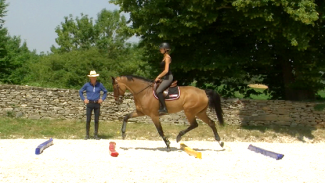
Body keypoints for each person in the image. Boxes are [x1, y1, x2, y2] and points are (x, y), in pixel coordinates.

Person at [79, 70, 107, 140]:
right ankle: (87, 135)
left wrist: (102, 99)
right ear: (90, 78)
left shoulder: (99, 85)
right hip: (89, 103)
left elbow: (105, 92)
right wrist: (84, 99)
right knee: (88, 119)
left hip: (97, 103)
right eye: (92, 77)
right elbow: (80, 91)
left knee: (96, 120)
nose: (94, 78)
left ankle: (96, 135)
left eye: (95, 77)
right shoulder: (87, 85)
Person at [154, 42, 173, 115]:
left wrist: (158, 77)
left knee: (158, 90)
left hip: (168, 77)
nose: (160, 50)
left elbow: (166, 70)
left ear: (165, 49)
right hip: (165, 77)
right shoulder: (164, 57)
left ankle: (164, 108)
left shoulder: (167, 57)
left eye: (161, 49)